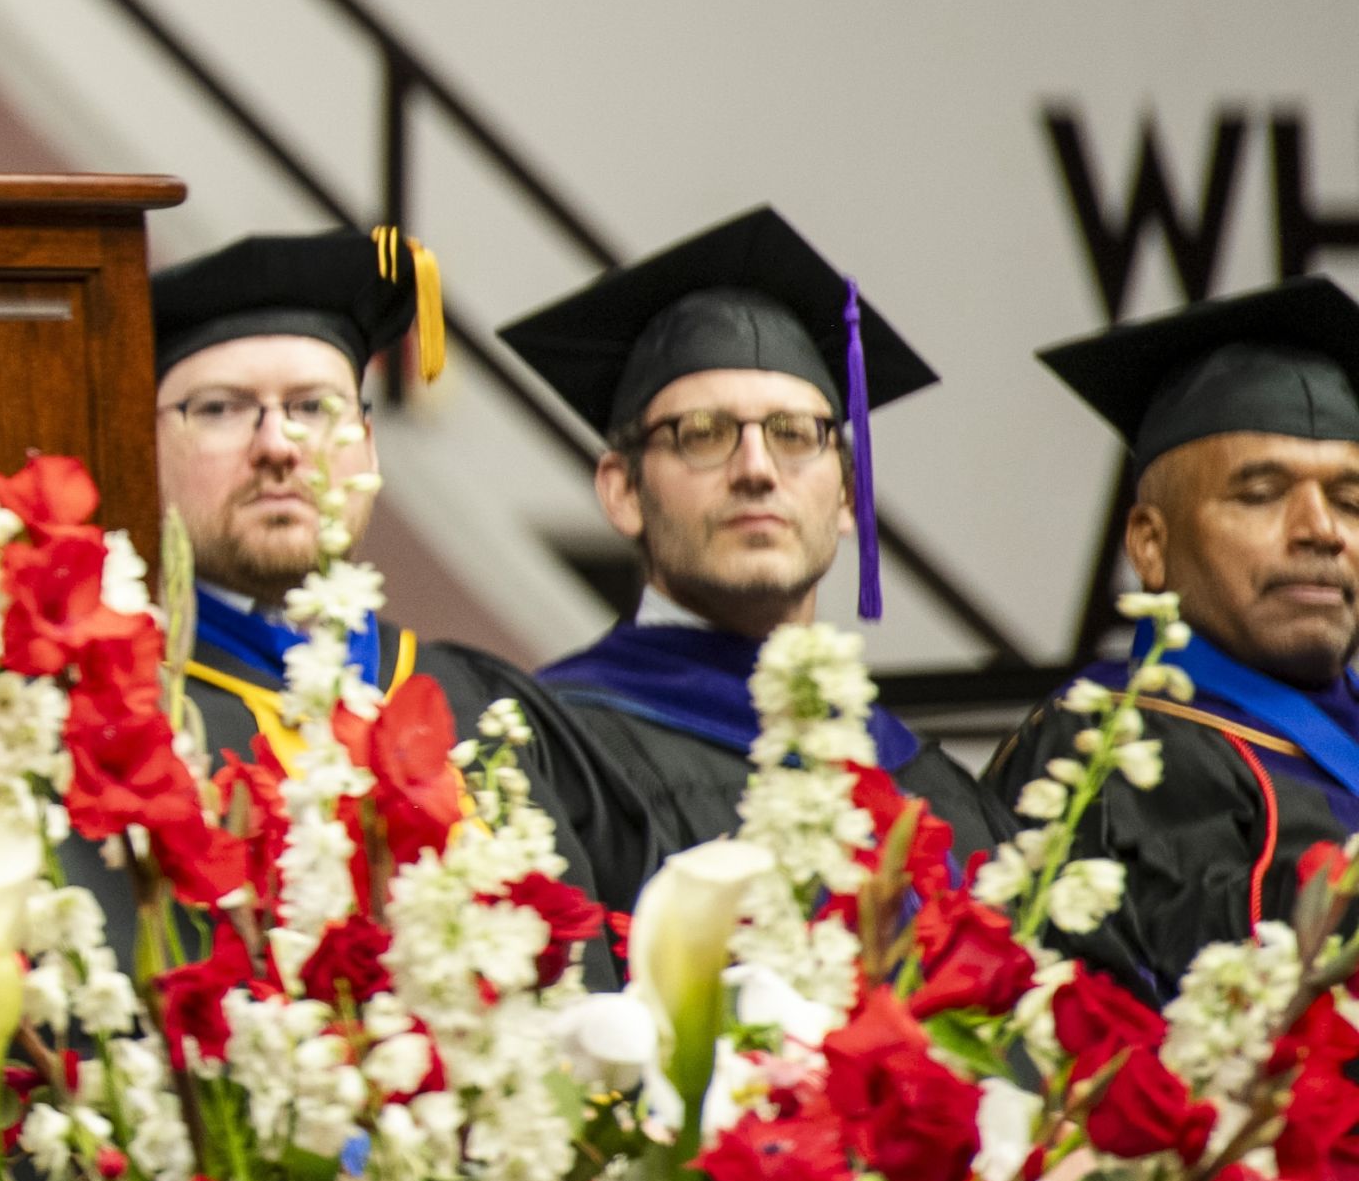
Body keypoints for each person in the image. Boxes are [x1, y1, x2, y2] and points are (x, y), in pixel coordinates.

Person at [500, 208, 1014, 882]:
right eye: (704, 433)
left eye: (795, 434)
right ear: (622, 490)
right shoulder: (556, 754)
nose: (756, 469)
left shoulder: (932, 789)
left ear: (849, 500)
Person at [146, 228, 643, 903]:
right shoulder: (118, 732)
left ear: (369, 449)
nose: (277, 445)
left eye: (312, 407)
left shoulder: (485, 706)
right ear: (146, 451)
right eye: (220, 409)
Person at [988, 276, 1359, 997]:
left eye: (1349, 501)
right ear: (1149, 544)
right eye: (1260, 494)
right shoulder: (1110, 746)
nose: (1321, 530)